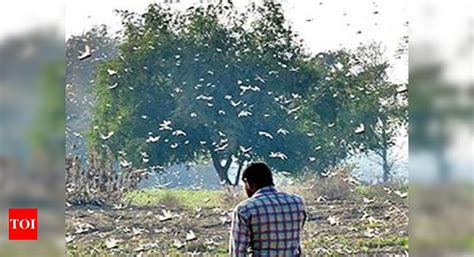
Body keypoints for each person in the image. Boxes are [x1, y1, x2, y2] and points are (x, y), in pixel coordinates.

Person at [229, 162, 306, 256]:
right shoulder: (297, 202)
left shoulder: (244, 210)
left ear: (249, 183)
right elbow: (296, 242)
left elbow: (238, 252)